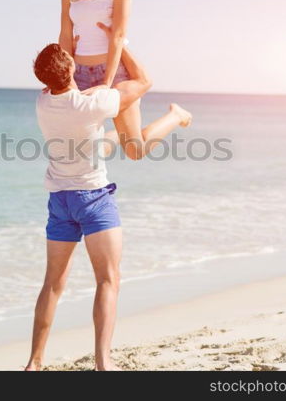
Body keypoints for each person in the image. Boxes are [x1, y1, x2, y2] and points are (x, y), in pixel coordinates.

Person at [25, 23, 192, 371]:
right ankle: (104, 363)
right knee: (108, 280)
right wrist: (120, 42)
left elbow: (70, 89)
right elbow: (144, 82)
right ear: (71, 69)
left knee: (52, 285)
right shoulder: (92, 104)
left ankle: (34, 363)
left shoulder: (43, 103)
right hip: (93, 200)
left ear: (44, 80)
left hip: (60, 201)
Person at [46, 0, 192, 159]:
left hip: (114, 73)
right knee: (81, 152)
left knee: (135, 151)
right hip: (80, 73)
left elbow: (117, 35)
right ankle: (114, 135)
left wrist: (106, 83)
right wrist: (64, 79)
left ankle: (176, 115)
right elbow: (65, 34)